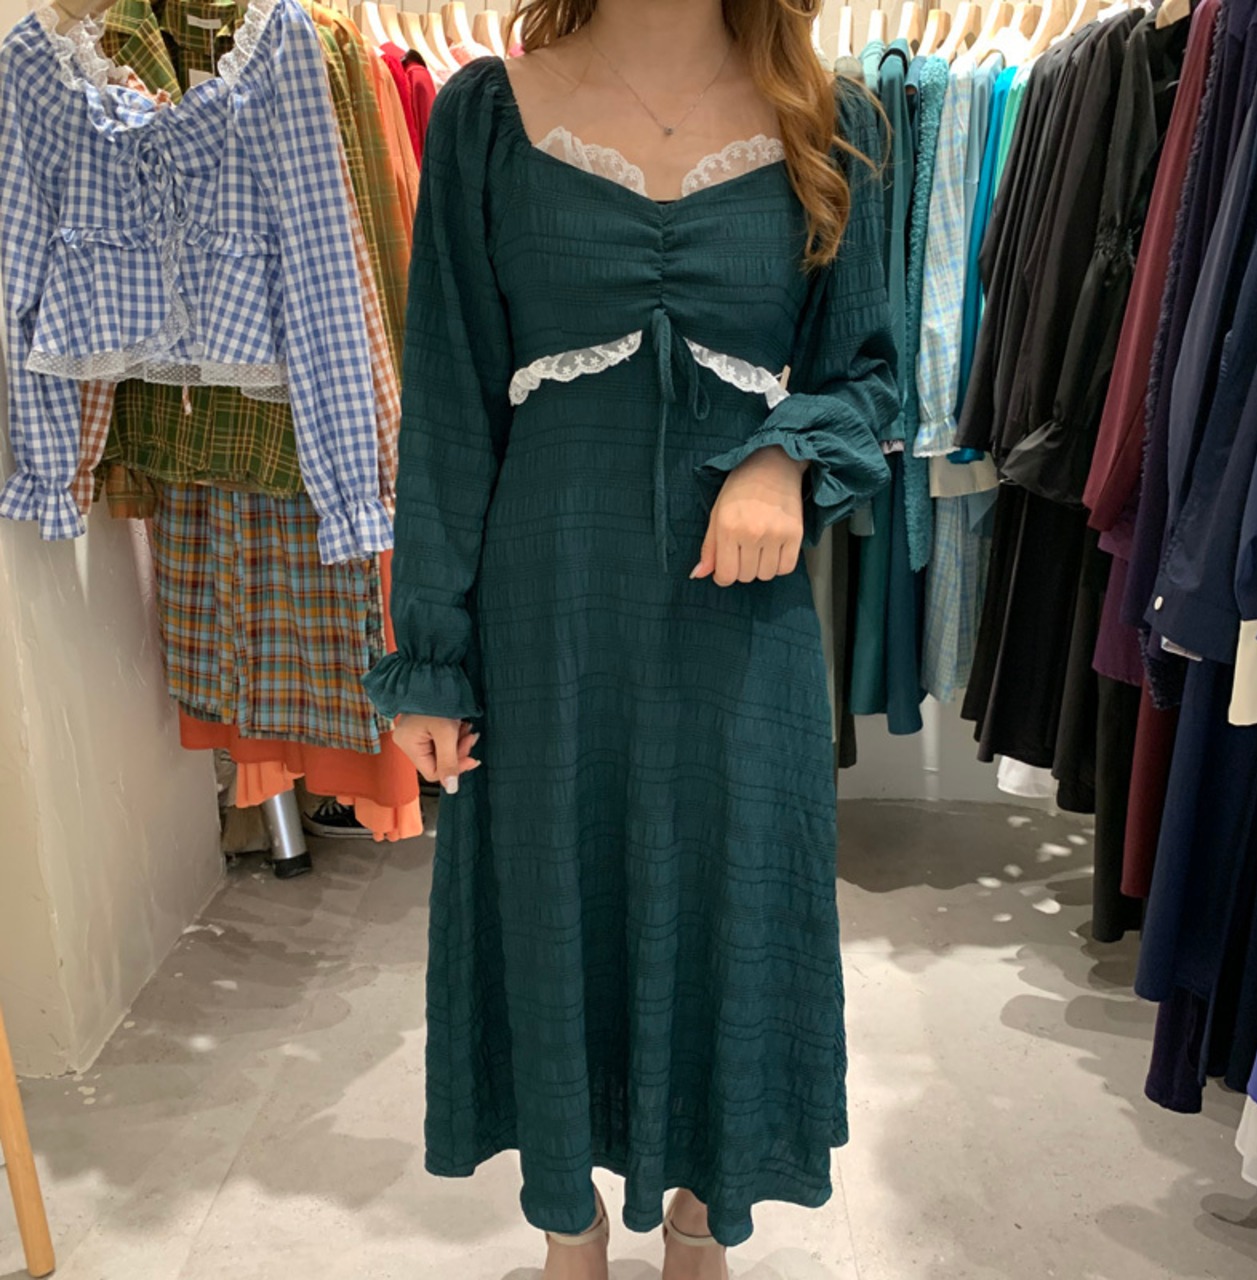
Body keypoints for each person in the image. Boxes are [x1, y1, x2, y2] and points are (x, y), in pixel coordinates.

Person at [364, 1, 896, 1276]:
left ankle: (703, 1221)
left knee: (733, 888)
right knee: (551, 890)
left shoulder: (832, 123)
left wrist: (783, 454)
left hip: (739, 621)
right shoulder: (488, 115)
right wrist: (428, 653)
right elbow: (446, 397)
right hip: (544, 608)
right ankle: (571, 1222)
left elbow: (871, 374)